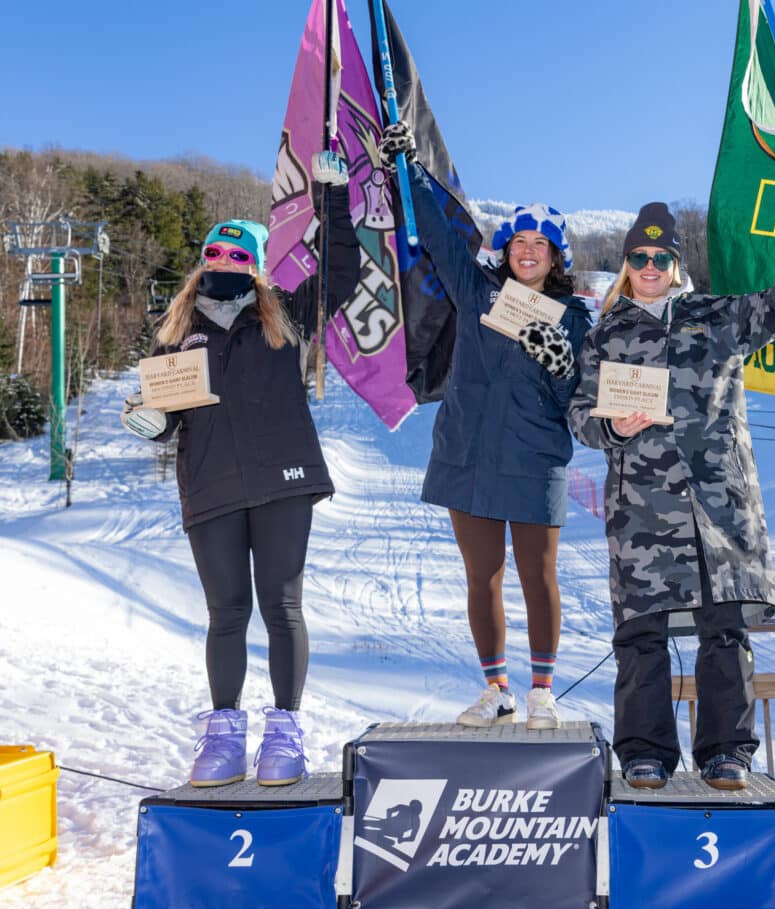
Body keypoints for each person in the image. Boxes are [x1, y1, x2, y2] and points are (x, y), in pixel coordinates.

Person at [569, 197, 775, 789]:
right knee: (641, 634)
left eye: (659, 257)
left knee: (724, 629)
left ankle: (727, 753)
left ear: (675, 263)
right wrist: (613, 428)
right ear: (626, 265)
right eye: (638, 257)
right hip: (642, 511)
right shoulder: (605, 337)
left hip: (720, 506)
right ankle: (644, 753)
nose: (648, 266)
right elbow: (580, 416)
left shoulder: (718, 315)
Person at [121, 183, 361, 787]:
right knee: (226, 612)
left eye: (238, 255)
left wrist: (332, 196)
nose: (224, 262)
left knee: (282, 607)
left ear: (257, 265)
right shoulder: (175, 330)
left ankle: (284, 733)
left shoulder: (287, 315)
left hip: (284, 480)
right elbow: (168, 417)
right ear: (202, 259)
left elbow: (342, 270)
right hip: (211, 486)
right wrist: (149, 421)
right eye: (215, 253)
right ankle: (224, 737)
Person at [379, 121, 592, 730]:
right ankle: (497, 688)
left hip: (534, 461)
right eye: (519, 240)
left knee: (538, 576)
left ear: (556, 257)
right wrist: (408, 166)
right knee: (483, 577)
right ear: (507, 249)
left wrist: (561, 364)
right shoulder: (476, 290)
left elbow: (575, 398)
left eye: (541, 244)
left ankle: (542, 692)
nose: (528, 250)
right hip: (466, 455)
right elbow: (439, 234)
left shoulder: (574, 318)